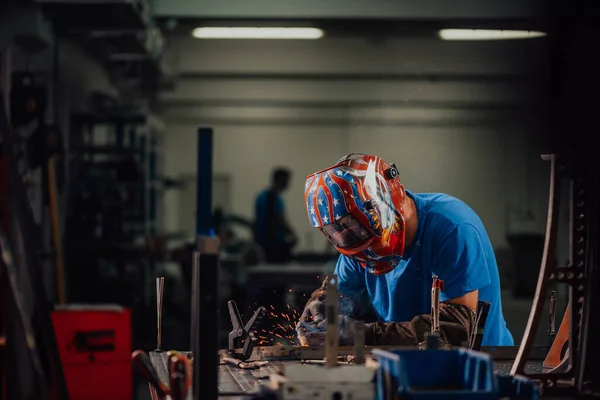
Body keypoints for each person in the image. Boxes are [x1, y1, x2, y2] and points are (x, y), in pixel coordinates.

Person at [296, 153, 513, 348]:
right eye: (338, 231)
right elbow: (340, 294)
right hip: (404, 359)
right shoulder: (355, 246)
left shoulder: (452, 229)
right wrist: (320, 309)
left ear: (384, 202)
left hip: (479, 362)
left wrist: (364, 335)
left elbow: (455, 328)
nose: (351, 238)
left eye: (353, 227)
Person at [254, 167, 297, 263]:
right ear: (280, 180)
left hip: (262, 243)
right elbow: (279, 219)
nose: (288, 184)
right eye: (286, 181)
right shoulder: (274, 199)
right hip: (274, 245)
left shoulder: (261, 197)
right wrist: (292, 233)